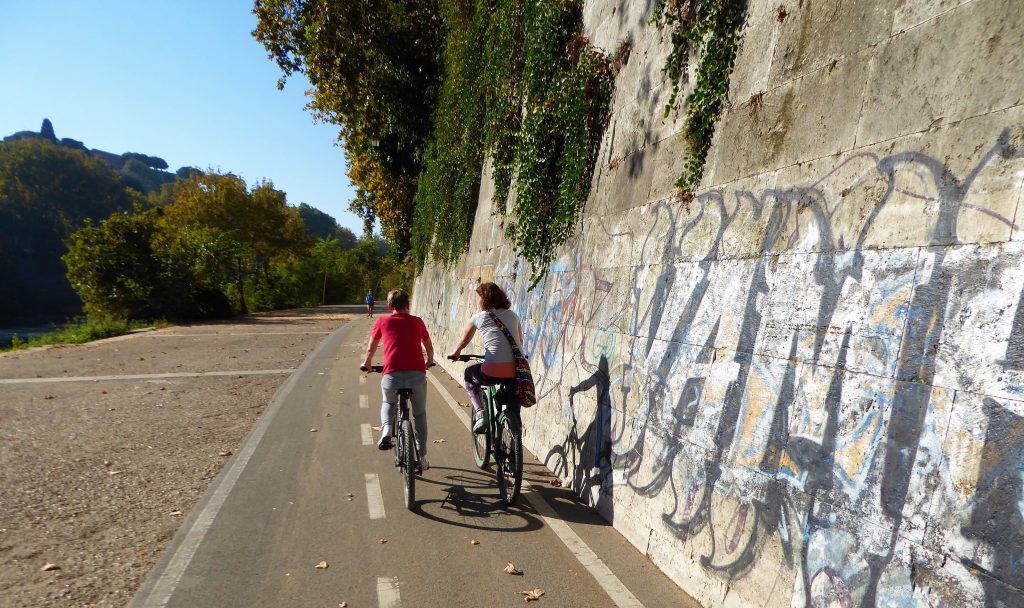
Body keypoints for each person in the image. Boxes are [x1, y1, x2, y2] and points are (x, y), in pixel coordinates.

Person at [360, 289, 435, 468]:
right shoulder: (417, 322)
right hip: (416, 374)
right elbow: (429, 346)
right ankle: (422, 456)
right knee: (420, 414)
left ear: (389, 306)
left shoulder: (382, 321)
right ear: (408, 305)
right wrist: (429, 361)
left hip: (392, 374)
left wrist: (367, 363)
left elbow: (371, 347)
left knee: (388, 403)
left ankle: (386, 429)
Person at [447, 282, 524, 433]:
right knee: (514, 405)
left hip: (491, 371)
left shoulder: (478, 318)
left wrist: (456, 353)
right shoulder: (514, 316)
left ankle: (481, 414)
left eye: (479, 298)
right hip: (516, 370)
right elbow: (520, 341)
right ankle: (516, 433)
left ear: (484, 299)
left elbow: (464, 340)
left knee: (469, 374)